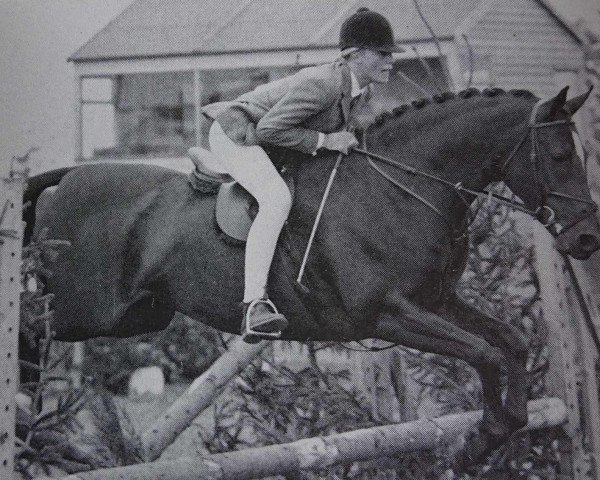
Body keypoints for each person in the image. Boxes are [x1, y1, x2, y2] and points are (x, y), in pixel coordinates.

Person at [202, 8, 402, 343]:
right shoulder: (323, 84)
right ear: (354, 55)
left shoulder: (360, 90)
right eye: (383, 53)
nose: (390, 61)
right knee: (276, 199)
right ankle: (254, 306)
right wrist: (326, 140)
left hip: (274, 143)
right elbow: (268, 129)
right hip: (238, 134)